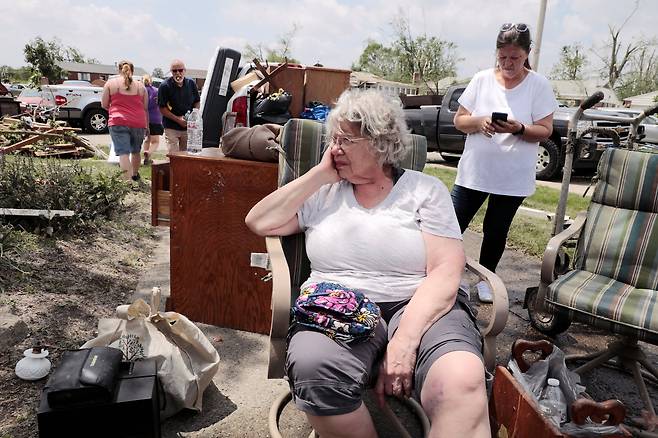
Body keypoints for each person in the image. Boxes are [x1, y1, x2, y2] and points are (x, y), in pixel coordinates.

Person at [246, 89, 490, 438]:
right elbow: (258, 222)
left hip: (419, 303)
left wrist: (405, 341)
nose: (334, 149)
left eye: (345, 139)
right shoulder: (323, 193)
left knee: (461, 380)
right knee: (316, 372)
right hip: (338, 307)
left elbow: (446, 271)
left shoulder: (425, 191)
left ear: (380, 142)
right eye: (333, 139)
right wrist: (319, 175)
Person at [452, 22, 558, 303]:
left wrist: (519, 128)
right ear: (496, 54)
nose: (508, 63)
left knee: (495, 231)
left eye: (515, 58)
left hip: (512, 177)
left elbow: (545, 130)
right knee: (451, 224)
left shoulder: (539, 85)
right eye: (503, 57)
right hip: (474, 172)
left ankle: (486, 279)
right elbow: (460, 121)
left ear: (528, 54)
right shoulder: (481, 79)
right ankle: (442, 272)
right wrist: (479, 121)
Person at [101, 60, 148, 182]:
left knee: (124, 153)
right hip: (138, 122)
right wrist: (147, 126)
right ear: (132, 70)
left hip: (118, 121)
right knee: (136, 151)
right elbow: (145, 108)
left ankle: (127, 182)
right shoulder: (141, 87)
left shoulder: (110, 84)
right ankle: (135, 175)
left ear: (119, 70)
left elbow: (104, 104)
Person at [158, 59, 200, 152]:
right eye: (174, 71)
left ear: (184, 70)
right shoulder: (165, 86)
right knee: (173, 153)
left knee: (185, 154)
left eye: (180, 70)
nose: (178, 73)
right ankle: (171, 166)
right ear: (171, 72)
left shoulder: (191, 83)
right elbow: (162, 108)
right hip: (171, 126)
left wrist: (193, 115)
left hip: (188, 126)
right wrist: (178, 119)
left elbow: (197, 101)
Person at [142, 74, 163, 165]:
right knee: (155, 141)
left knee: (147, 139)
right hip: (155, 118)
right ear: (151, 81)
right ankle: (148, 153)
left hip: (144, 118)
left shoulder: (141, 91)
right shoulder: (156, 91)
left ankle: (146, 159)